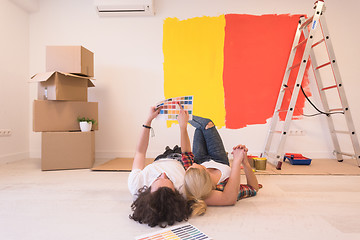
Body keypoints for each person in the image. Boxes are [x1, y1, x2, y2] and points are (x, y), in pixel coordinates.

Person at [178, 114, 261, 216]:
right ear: (206, 173)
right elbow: (253, 188)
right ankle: (182, 113)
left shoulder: (192, 180)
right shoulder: (222, 186)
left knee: (200, 129)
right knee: (207, 124)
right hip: (219, 159)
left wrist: (182, 127)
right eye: (195, 165)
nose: (193, 162)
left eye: (191, 166)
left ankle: (181, 115)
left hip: (201, 158)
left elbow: (186, 153)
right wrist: (243, 161)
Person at [127, 106, 192, 227]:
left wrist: (148, 121)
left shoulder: (136, 184)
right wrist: (183, 128)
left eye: (157, 178)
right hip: (181, 159)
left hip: (161, 158)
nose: (163, 174)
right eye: (168, 179)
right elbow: (187, 155)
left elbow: (140, 152)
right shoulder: (184, 190)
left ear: (146, 191)